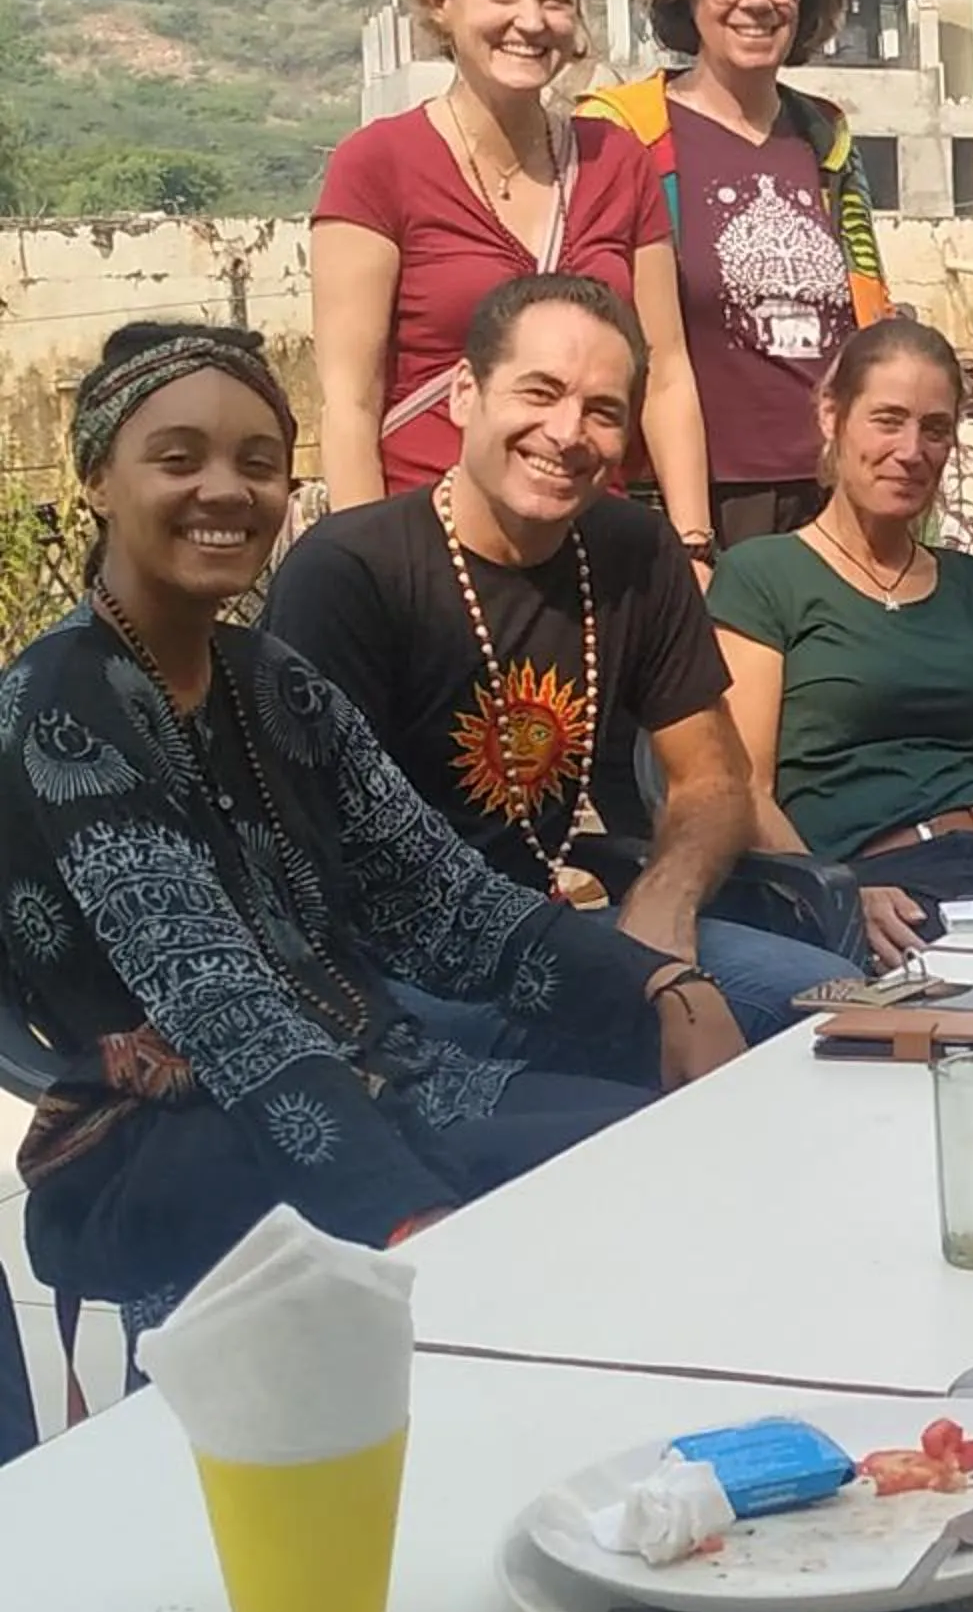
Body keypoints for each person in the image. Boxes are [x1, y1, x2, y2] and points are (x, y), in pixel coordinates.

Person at [0, 324, 743, 1329]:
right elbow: (217, 1002)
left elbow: (443, 899)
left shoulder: (271, 684)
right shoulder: (62, 703)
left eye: (258, 465)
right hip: (190, 1145)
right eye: (179, 460)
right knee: (548, 1254)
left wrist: (657, 982)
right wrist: (404, 1219)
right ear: (96, 478)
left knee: (665, 1157)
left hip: (385, 1080)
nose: (226, 491)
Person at [263, 274, 857, 1045]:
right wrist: (628, 974)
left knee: (840, 1013)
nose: (568, 433)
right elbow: (310, 859)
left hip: (566, 934)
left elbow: (712, 779)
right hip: (387, 972)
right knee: (625, 1047)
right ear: (463, 393)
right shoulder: (352, 572)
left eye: (603, 411)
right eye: (538, 393)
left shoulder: (635, 553)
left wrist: (662, 907)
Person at [312, 0, 714, 558]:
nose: (530, 21)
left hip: (589, 544)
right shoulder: (377, 164)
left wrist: (693, 545)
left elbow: (667, 373)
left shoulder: (617, 161)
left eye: (554, 0)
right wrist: (362, 565)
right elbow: (350, 398)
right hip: (429, 544)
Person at [709, 319, 973, 974]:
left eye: (934, 429)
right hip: (878, 889)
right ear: (831, 416)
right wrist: (837, 893)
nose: (911, 450)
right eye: (887, 420)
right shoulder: (763, 576)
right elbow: (744, 789)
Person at [576, 0, 892, 550]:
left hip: (833, 495)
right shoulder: (624, 131)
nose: (758, 1)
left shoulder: (826, 136)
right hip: (685, 499)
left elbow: (867, 310)